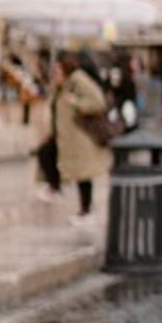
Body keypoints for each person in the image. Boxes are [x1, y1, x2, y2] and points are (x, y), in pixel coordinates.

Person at [51, 50, 112, 225]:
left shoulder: (78, 80)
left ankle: (86, 210)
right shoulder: (63, 83)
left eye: (58, 68)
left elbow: (98, 102)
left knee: (84, 174)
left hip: (81, 137)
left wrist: (75, 102)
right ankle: (80, 207)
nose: (55, 72)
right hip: (69, 137)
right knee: (78, 173)